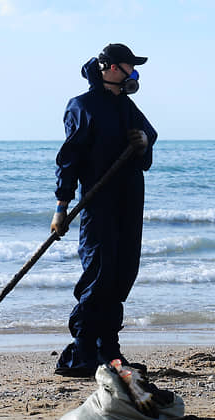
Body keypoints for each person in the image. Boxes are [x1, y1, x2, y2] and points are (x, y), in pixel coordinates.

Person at [50, 43, 157, 378]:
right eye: (130, 67)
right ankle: (83, 350)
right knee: (99, 271)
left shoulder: (127, 106)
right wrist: (61, 207)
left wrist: (143, 140)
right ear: (110, 68)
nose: (134, 74)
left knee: (123, 272)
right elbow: (69, 159)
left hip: (129, 200)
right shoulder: (82, 106)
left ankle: (110, 351)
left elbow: (149, 139)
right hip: (99, 201)